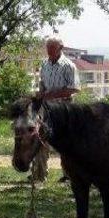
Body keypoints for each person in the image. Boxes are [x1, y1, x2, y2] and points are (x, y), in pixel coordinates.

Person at [31, 36, 80, 181]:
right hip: (46, 109)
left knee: (65, 142)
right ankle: (39, 174)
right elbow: (42, 83)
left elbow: (73, 88)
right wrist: (41, 93)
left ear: (60, 48)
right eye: (47, 48)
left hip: (64, 109)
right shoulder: (45, 64)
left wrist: (50, 95)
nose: (49, 51)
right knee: (40, 139)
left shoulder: (68, 65)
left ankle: (68, 175)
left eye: (52, 48)